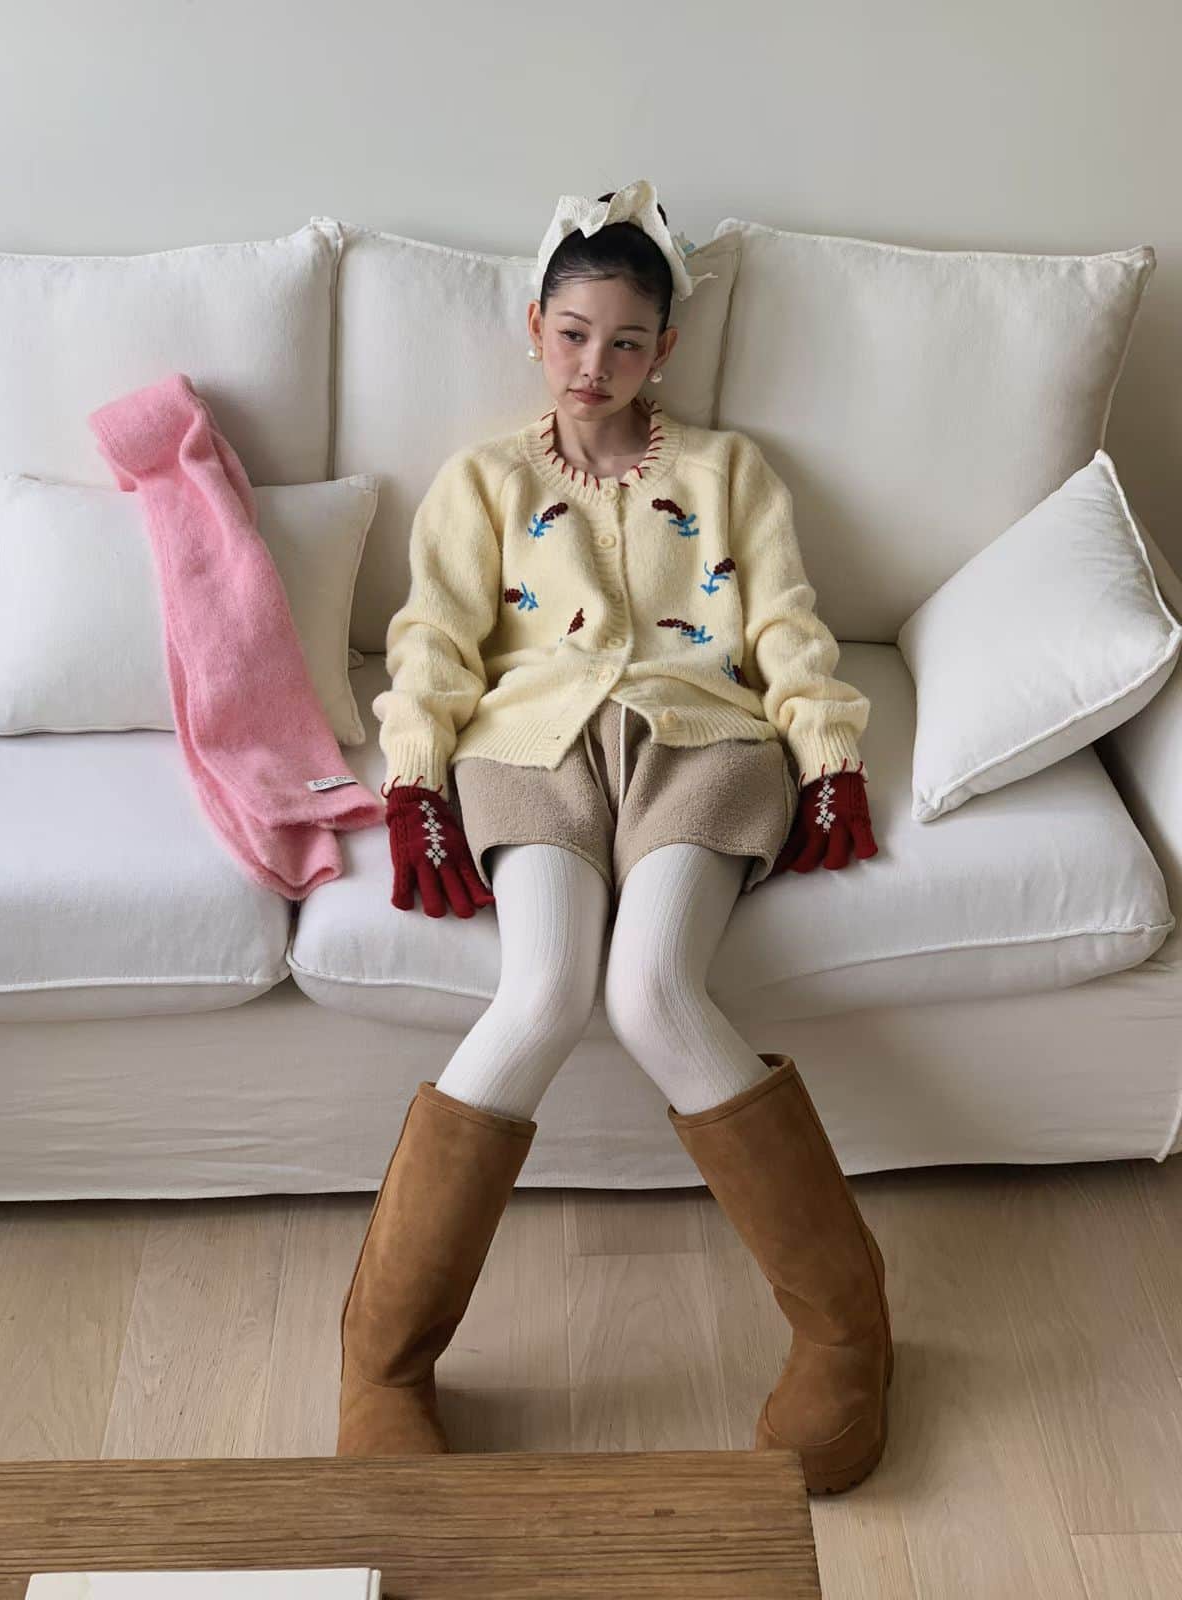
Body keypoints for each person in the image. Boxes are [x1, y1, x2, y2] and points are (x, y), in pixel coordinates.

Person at [336, 180, 892, 1495]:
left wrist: (829, 756)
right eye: (575, 334)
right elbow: (433, 642)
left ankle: (849, 1332)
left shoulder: (729, 473)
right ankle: (383, 1368)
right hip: (527, 754)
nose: (597, 365)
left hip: (702, 744)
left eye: (627, 341)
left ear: (665, 350)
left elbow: (788, 624)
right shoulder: (482, 481)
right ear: (536, 328)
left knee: (652, 993)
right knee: (540, 994)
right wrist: (416, 781)